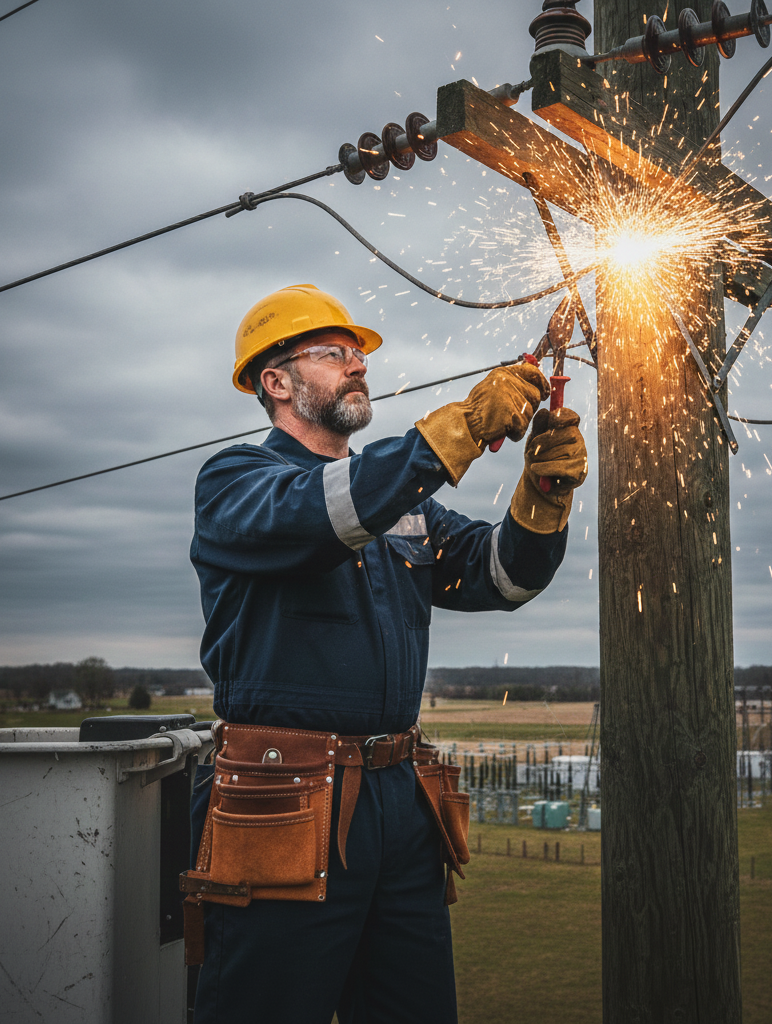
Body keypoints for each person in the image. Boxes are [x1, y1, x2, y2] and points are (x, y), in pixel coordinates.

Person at [188, 284, 588, 1023]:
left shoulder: (403, 504)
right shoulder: (236, 484)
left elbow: (502, 577)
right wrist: (460, 428)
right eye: (332, 353)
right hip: (282, 801)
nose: (357, 364)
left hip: (400, 799)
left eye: (359, 353)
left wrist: (543, 492)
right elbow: (323, 514)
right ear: (276, 382)